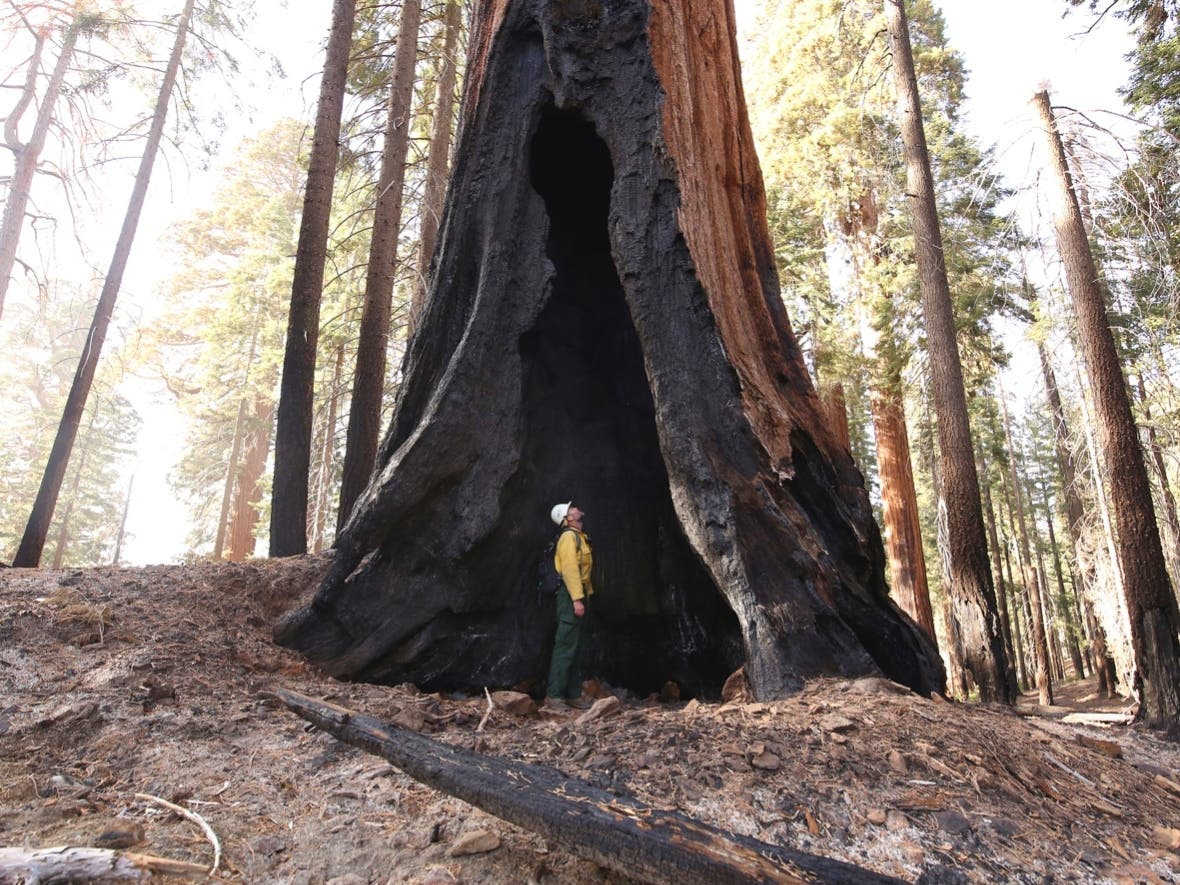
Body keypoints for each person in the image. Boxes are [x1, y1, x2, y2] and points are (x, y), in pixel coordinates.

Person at [545, 501, 594, 710]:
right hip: (570, 596)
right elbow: (570, 570)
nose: (576, 509)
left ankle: (573, 694)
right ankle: (554, 696)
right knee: (565, 646)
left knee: (577, 646)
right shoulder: (568, 538)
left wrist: (585, 596)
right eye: (571, 509)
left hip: (580, 594)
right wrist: (576, 599)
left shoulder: (579, 537)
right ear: (568, 518)